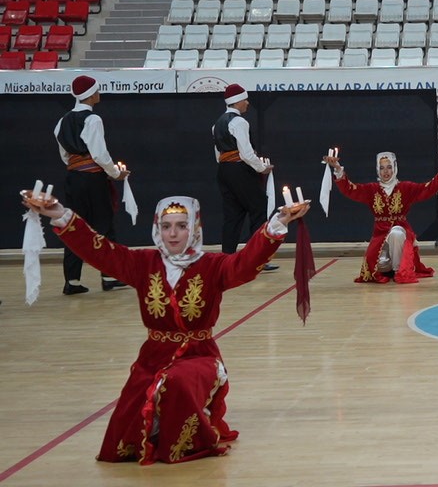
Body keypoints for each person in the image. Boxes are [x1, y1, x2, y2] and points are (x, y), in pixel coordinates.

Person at [20, 189, 311, 463]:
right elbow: (99, 250)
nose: (173, 233)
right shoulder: (141, 262)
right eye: (166, 225)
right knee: (118, 444)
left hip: (199, 355)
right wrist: (58, 212)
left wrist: (278, 223)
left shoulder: (213, 265)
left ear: (194, 228)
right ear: (157, 227)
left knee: (177, 381)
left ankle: (183, 438)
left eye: (181, 226)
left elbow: (246, 264)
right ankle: (159, 428)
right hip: (153, 357)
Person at [53, 75, 130, 294]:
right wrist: (115, 172)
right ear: (92, 95)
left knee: (74, 226)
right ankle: (109, 276)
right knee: (104, 225)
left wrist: (78, 165)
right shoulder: (93, 119)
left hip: (73, 178)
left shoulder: (62, 121)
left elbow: (65, 156)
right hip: (93, 179)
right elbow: (99, 153)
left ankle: (72, 280)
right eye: (98, 90)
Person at [325, 151, 438, 284]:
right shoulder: (371, 189)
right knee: (380, 265)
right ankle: (389, 267)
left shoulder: (406, 187)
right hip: (379, 237)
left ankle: (397, 270)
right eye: (382, 168)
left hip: (400, 233)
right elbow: (349, 189)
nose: (386, 171)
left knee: (396, 233)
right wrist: (337, 168)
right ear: (377, 169)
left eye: (389, 167)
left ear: (395, 167)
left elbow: (427, 189)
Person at [213, 84, 278, 271]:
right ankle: (256, 258)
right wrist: (261, 168)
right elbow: (246, 153)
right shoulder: (239, 122)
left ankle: (226, 258)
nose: (248, 103)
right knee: (258, 208)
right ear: (238, 101)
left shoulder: (217, 123)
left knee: (232, 215)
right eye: (245, 100)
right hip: (240, 169)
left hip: (224, 171)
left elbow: (218, 154)